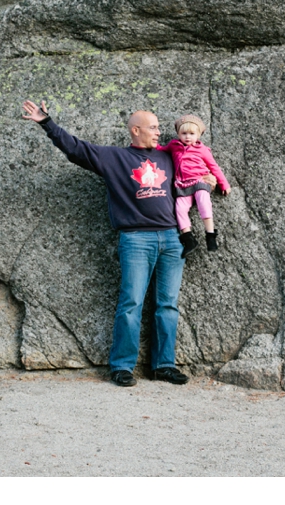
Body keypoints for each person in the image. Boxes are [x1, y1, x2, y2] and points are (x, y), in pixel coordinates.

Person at [21, 99, 215, 387]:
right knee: (131, 303)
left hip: (173, 238)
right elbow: (75, 149)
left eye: (159, 127)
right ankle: (122, 366)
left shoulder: (168, 157)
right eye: (153, 127)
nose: (159, 132)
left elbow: (193, 170)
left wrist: (207, 179)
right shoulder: (114, 158)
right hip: (136, 239)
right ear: (135, 130)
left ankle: (163, 365)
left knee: (168, 305)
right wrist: (47, 124)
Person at [157, 114, 231, 257]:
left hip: (199, 180)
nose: (187, 137)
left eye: (192, 134)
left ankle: (210, 234)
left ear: (198, 135)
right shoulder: (174, 146)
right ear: (178, 134)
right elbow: (162, 150)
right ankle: (188, 238)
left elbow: (213, 166)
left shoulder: (202, 150)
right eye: (184, 133)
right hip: (182, 184)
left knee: (204, 202)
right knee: (180, 208)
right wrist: (150, 145)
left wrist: (224, 184)